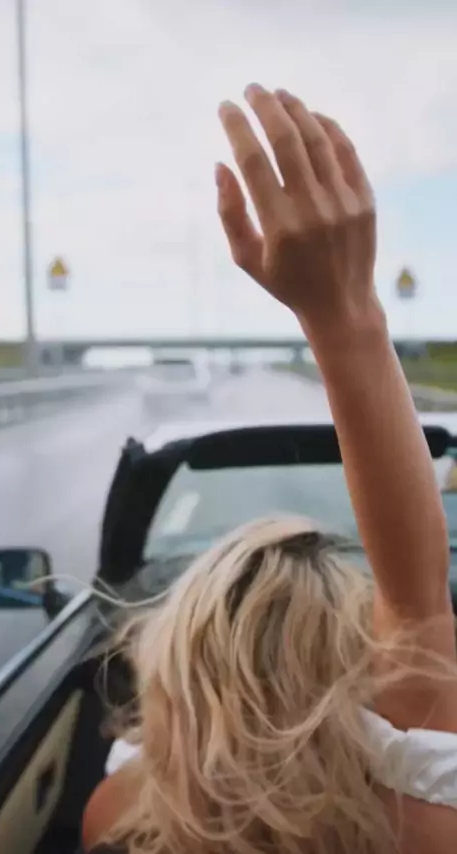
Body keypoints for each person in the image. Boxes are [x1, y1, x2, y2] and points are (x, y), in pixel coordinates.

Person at [82, 85, 457, 854]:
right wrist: (344, 309)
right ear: (360, 679)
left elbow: (416, 609)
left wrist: (342, 314)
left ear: (173, 676)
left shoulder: (116, 815)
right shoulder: (427, 821)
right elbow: (415, 605)